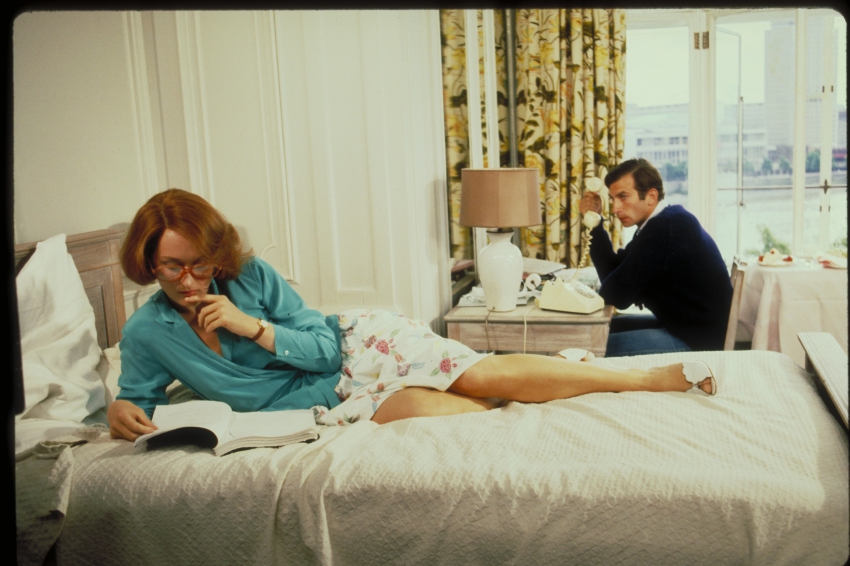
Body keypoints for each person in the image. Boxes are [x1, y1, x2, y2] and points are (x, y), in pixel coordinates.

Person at [108, 189, 718, 441]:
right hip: (322, 404)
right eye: (170, 268)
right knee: (450, 411)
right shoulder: (147, 332)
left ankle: (644, 380)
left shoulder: (251, 278)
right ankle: (556, 374)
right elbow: (136, 396)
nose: (188, 280)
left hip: (358, 347)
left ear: (216, 252)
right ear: (147, 263)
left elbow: (324, 348)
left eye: (199, 264)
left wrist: (255, 328)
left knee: (478, 375)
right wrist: (117, 410)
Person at [579, 158, 733, 357]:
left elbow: (615, 295)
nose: (615, 208)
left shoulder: (664, 228)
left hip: (697, 340)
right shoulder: (665, 221)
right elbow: (612, 273)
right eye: (613, 199)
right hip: (685, 327)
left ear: (651, 196)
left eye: (623, 196)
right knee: (590, 332)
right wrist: (595, 223)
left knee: (585, 345)